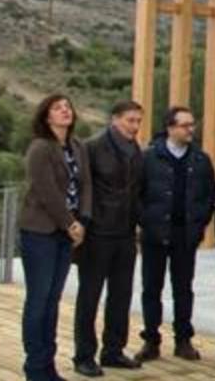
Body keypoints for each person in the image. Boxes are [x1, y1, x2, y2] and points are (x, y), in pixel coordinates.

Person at [137, 106, 215, 363]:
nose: (190, 129)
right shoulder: (149, 157)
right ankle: (151, 341)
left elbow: (209, 196)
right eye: (185, 125)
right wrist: (146, 221)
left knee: (183, 289)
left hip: (185, 235)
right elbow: (136, 194)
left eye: (192, 124)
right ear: (170, 127)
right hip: (154, 234)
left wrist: (199, 225)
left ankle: (183, 340)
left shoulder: (200, 160)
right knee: (152, 288)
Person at [20, 94, 91, 381]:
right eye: (57, 108)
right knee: (38, 300)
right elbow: (46, 190)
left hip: (67, 233)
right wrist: (69, 223)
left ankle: (48, 366)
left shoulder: (77, 146)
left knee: (53, 300)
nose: (65, 111)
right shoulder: (40, 147)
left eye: (67, 107)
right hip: (40, 232)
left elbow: (86, 186)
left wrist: (82, 221)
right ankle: (35, 367)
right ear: (46, 116)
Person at [72, 100, 145, 376]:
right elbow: (81, 189)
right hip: (97, 234)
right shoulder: (92, 147)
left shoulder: (136, 150)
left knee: (121, 296)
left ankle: (113, 351)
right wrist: (82, 225)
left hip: (126, 234)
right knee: (89, 297)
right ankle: (83, 355)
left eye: (138, 121)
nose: (135, 126)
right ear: (114, 119)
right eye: (130, 120)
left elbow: (137, 190)